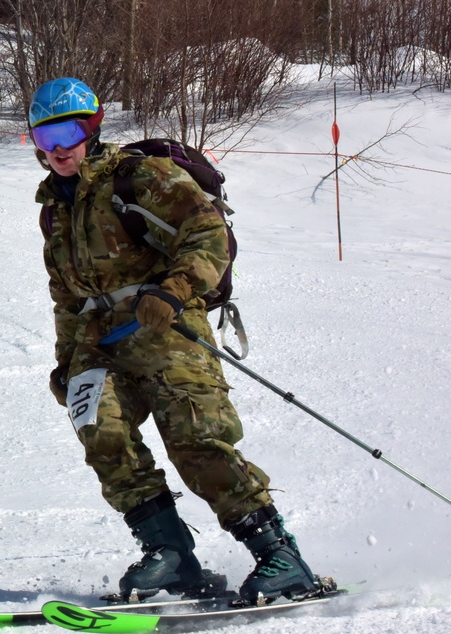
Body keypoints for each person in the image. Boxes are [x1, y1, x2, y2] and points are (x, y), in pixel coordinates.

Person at [29, 77, 321, 604]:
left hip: (165, 328)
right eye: (44, 138)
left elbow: (208, 232)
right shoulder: (55, 209)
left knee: (197, 441)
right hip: (100, 342)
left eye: (68, 132)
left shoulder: (139, 178)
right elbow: (67, 297)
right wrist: (65, 362)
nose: (58, 149)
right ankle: (170, 555)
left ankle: (280, 556)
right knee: (103, 434)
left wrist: (176, 288)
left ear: (92, 128)